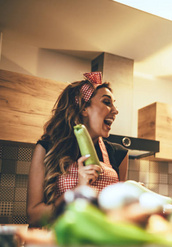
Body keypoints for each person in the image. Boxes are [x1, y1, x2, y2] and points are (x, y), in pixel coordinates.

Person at [27, 72, 129, 227]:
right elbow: (34, 216)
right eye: (107, 102)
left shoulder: (120, 154)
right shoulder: (48, 148)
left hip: (102, 244)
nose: (115, 111)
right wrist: (76, 191)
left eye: (114, 104)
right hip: (60, 243)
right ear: (83, 109)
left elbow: (119, 214)